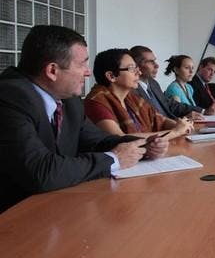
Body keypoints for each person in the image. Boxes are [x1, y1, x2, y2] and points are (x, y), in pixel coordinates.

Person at [0, 25, 168, 213]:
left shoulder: (70, 101)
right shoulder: (9, 97)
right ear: (52, 70)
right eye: (82, 65)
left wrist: (143, 145)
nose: (88, 73)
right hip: (15, 216)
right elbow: (40, 171)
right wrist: (114, 159)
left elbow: (98, 141)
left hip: (59, 206)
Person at [84, 49, 193, 139]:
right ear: (111, 76)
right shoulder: (96, 102)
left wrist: (181, 125)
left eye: (137, 68)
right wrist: (175, 132)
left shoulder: (131, 98)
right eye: (131, 68)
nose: (139, 73)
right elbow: (120, 139)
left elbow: (160, 120)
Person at [129, 45, 203, 120]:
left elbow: (171, 105)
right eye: (151, 62)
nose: (157, 65)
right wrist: (181, 120)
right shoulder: (131, 91)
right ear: (136, 65)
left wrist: (202, 111)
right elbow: (149, 120)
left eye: (154, 61)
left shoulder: (153, 83)